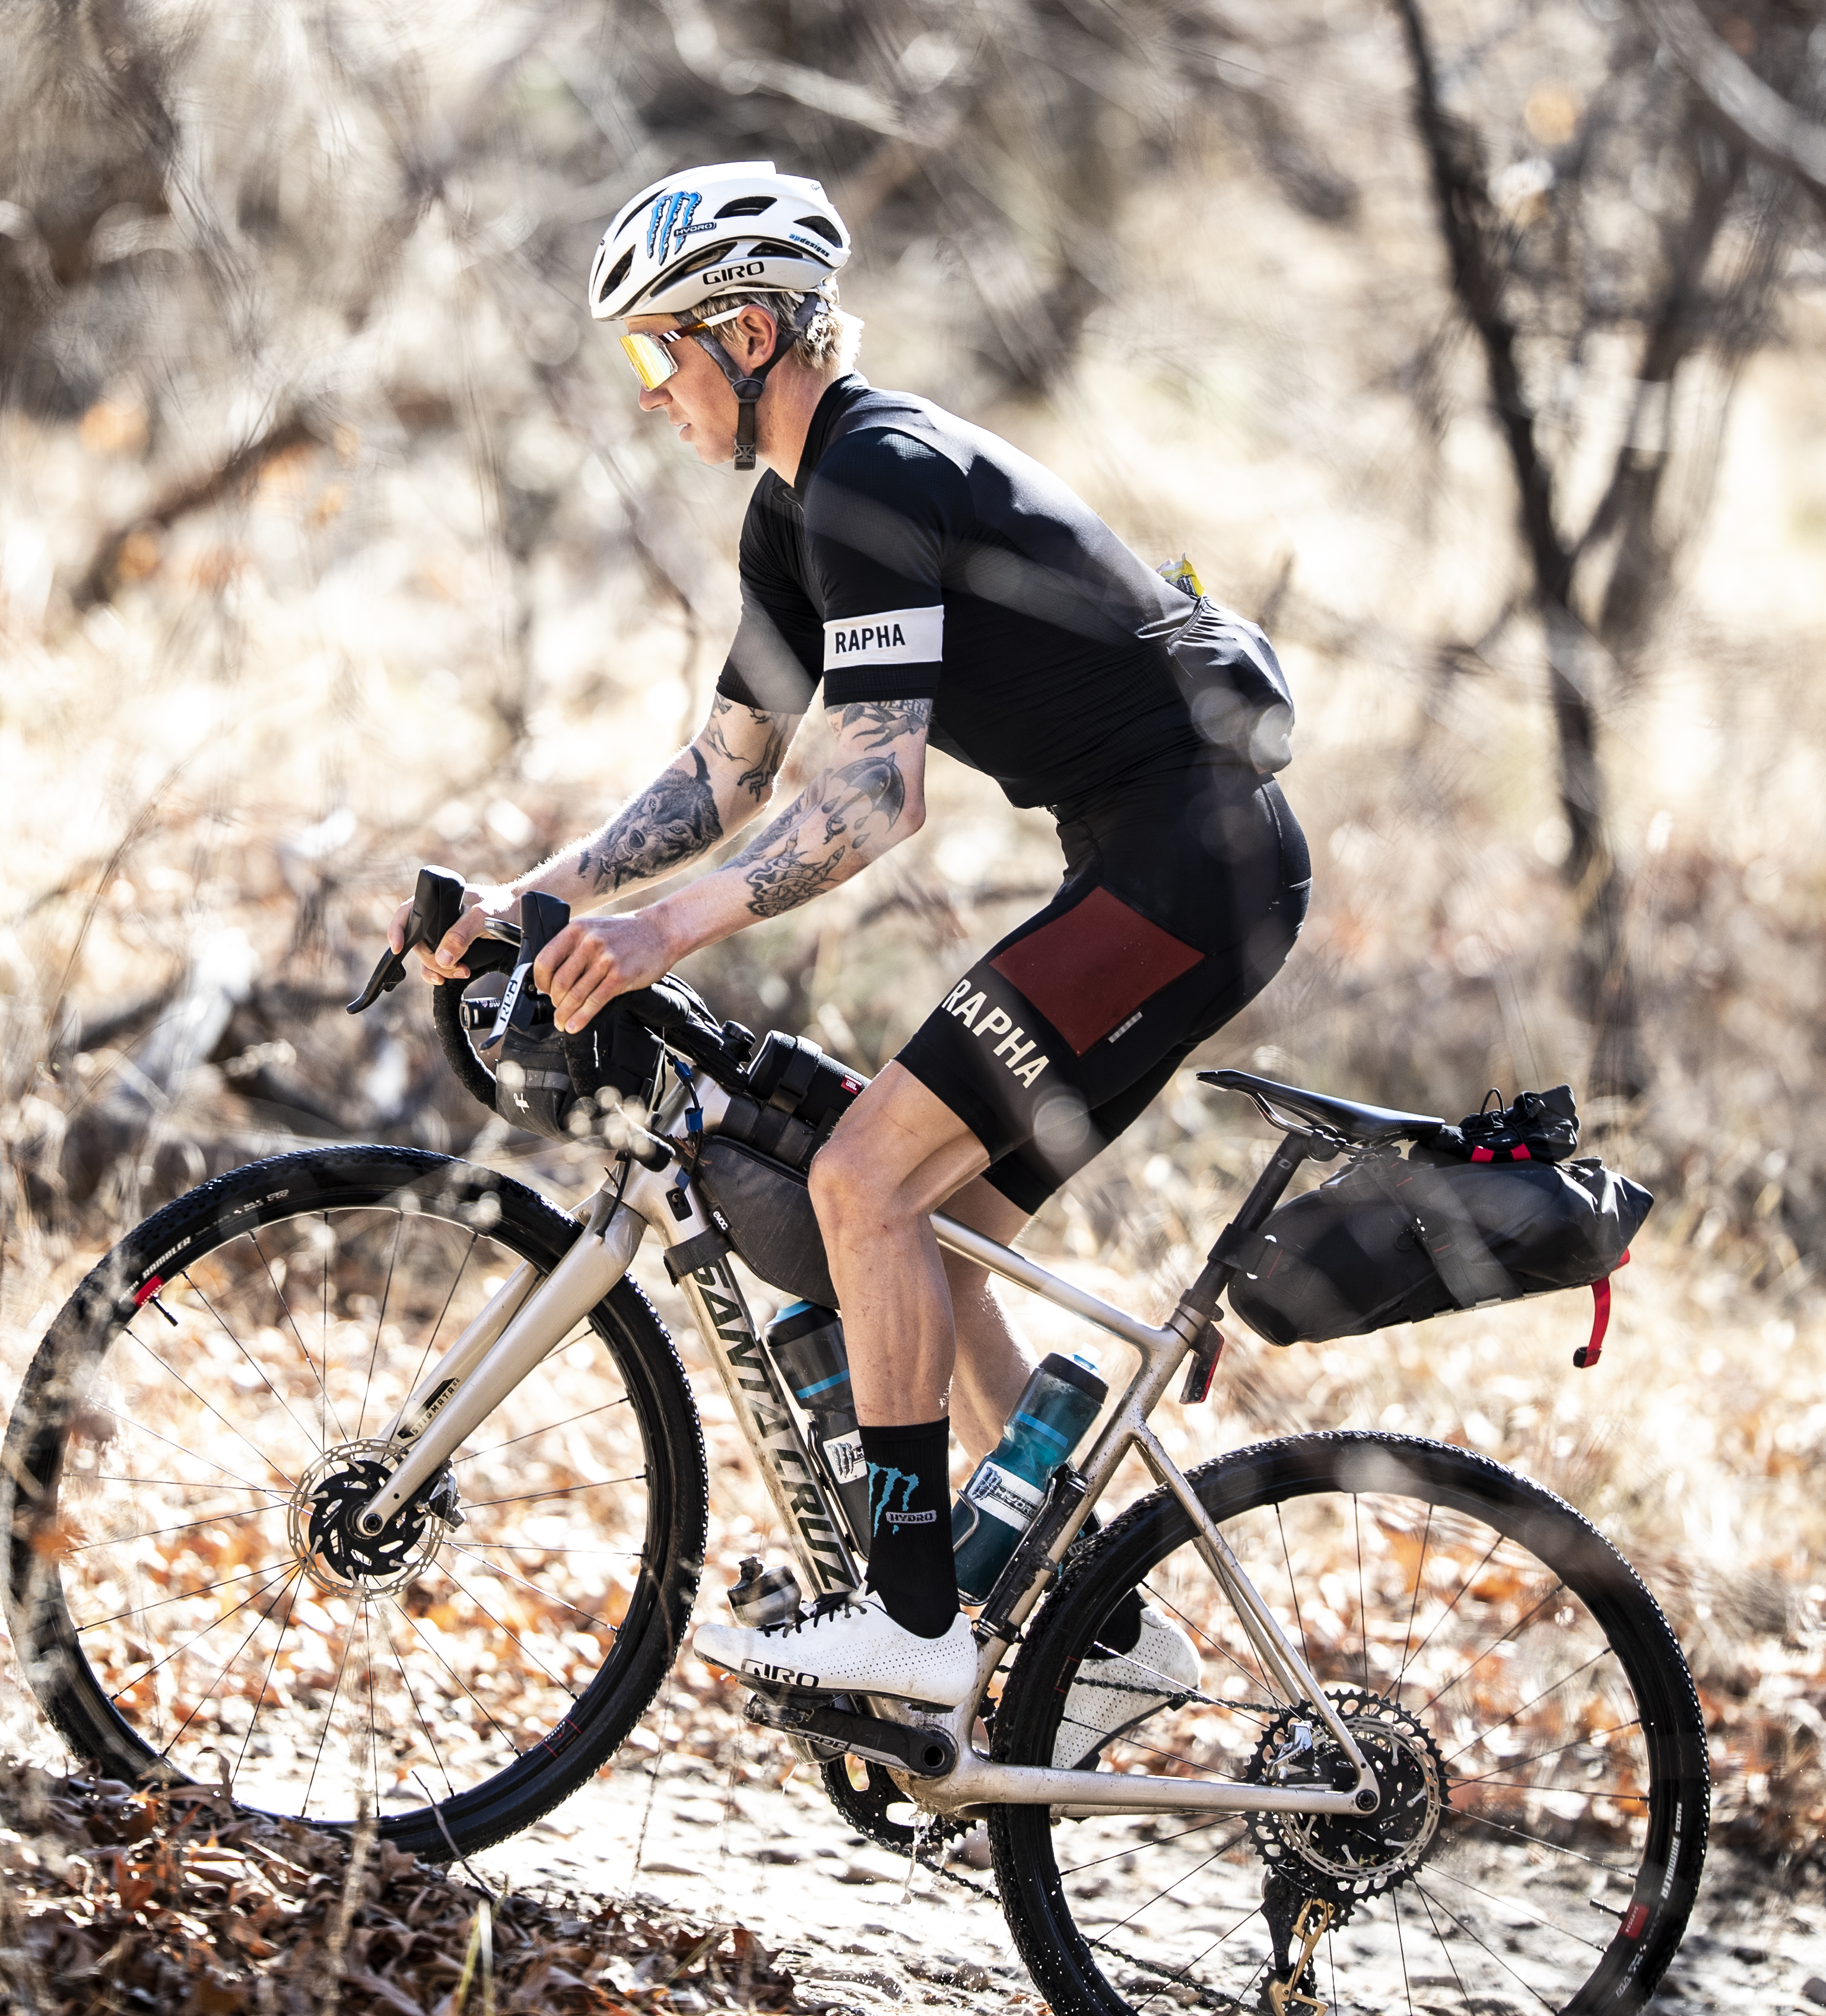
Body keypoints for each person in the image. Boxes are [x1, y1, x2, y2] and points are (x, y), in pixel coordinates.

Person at [402, 161, 1307, 1754]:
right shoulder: (792, 515)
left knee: (863, 1180)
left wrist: (663, 927)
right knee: (932, 1230)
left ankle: (907, 1622)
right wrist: (525, 904)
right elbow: (727, 774)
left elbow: (879, 792)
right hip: (1149, 867)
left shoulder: (879, 473)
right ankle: (1110, 1628)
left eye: (655, 352)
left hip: (1192, 870)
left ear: (748, 332)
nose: (646, 392)